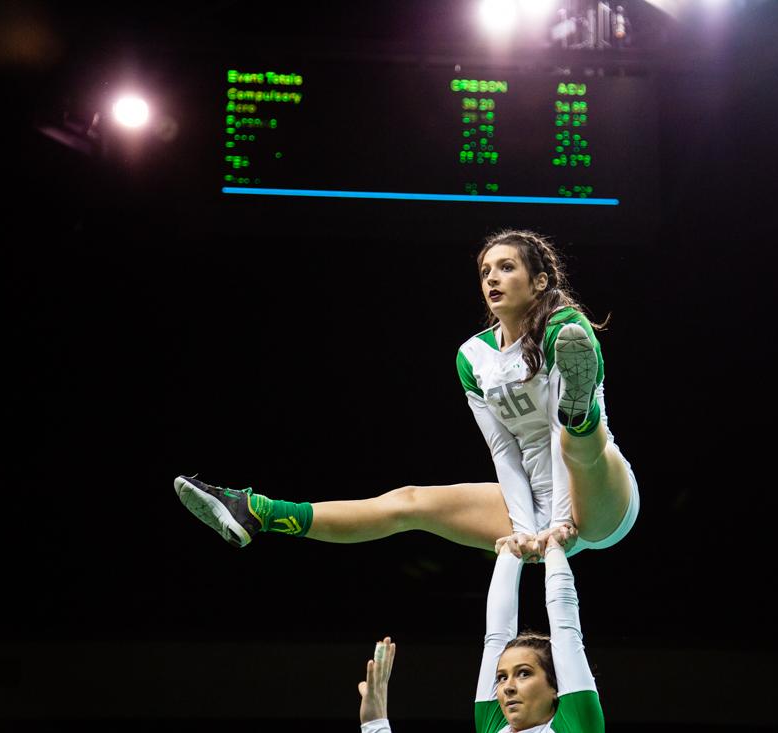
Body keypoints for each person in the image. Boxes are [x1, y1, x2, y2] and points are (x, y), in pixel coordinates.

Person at [175, 229, 639, 560]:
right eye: (485, 271)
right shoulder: (473, 357)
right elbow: (502, 450)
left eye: (506, 267)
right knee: (410, 502)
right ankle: (261, 513)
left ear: (539, 281)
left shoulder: (566, 330)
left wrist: (560, 525)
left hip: (596, 494)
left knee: (571, 437)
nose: (492, 278)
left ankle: (585, 415)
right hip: (532, 496)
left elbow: (554, 436)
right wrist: (525, 529)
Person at [357, 524, 604, 732]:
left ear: (555, 687)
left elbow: (566, 631)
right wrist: (374, 719)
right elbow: (495, 639)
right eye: (501, 677)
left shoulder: (578, 725)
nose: (507, 687)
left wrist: (548, 548)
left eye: (524, 673)